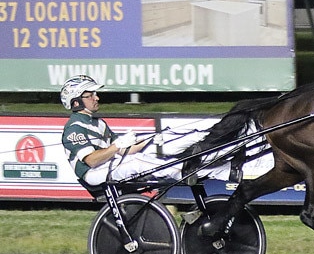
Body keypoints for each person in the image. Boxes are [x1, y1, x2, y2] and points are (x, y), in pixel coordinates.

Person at [60, 75, 232, 186]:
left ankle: (219, 164)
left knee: (156, 149)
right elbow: (91, 160)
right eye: (90, 95)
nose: (96, 97)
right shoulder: (74, 128)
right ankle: (201, 173)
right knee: (139, 162)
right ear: (76, 102)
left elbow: (126, 150)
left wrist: (150, 140)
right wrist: (116, 146)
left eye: (95, 94)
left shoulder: (99, 123)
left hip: (109, 165)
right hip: (93, 174)